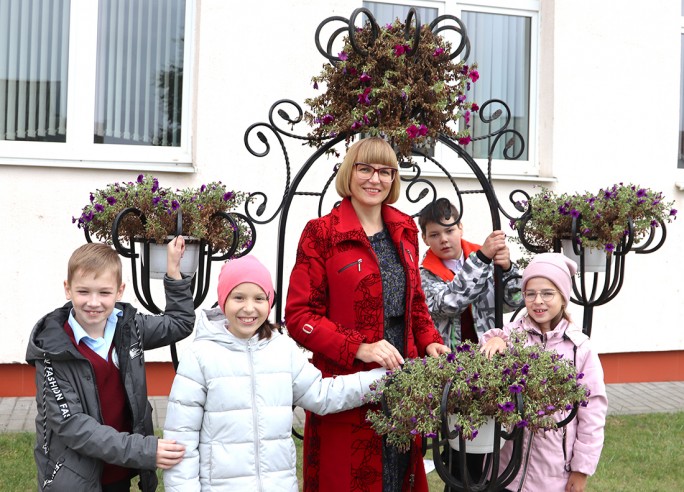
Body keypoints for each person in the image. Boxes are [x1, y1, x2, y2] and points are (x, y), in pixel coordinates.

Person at [285, 136, 451, 492]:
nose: (375, 179)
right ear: (350, 172)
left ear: (394, 178)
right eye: (365, 169)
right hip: (345, 385)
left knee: (396, 475)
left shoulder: (405, 229)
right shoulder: (322, 234)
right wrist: (360, 346)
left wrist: (431, 341)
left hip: (403, 379)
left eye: (385, 171)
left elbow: (416, 302)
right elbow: (299, 317)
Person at [162, 255, 385, 491]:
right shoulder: (200, 355)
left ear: (269, 301)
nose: (249, 308)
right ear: (223, 299)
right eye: (238, 297)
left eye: (259, 298)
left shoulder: (282, 348)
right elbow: (181, 440)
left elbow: (322, 394)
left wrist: (382, 379)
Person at [26, 237, 196, 491]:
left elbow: (180, 323)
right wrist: (144, 449)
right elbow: (73, 426)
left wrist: (173, 269)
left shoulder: (130, 328)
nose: (93, 302)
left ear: (119, 291)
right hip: (75, 476)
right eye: (83, 291)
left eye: (104, 292)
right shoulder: (52, 350)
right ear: (67, 288)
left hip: (119, 468)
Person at [480, 253, 608, 492]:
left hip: (552, 474)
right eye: (531, 294)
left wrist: (581, 470)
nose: (538, 301)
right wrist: (495, 340)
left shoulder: (579, 349)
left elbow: (592, 414)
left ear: (563, 297)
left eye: (547, 293)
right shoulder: (513, 334)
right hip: (505, 470)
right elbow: (487, 348)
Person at [419, 197, 522, 350]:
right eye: (434, 235)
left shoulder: (487, 259)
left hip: (489, 353)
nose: (444, 239)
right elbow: (449, 305)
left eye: (449, 230)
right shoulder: (424, 274)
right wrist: (481, 259)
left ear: (460, 228)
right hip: (449, 359)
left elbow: (514, 302)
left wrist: (507, 270)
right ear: (425, 239)